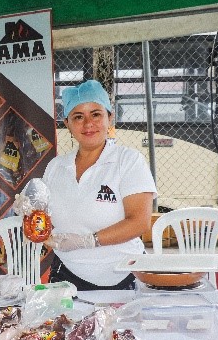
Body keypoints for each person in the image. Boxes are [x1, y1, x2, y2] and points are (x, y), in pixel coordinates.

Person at [42, 80, 157, 291]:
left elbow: (139, 222)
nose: (88, 124)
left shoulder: (128, 161)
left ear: (109, 117)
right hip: (67, 274)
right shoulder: (56, 167)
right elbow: (44, 219)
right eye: (78, 117)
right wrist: (30, 213)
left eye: (96, 114)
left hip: (124, 273)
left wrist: (89, 241)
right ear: (67, 123)